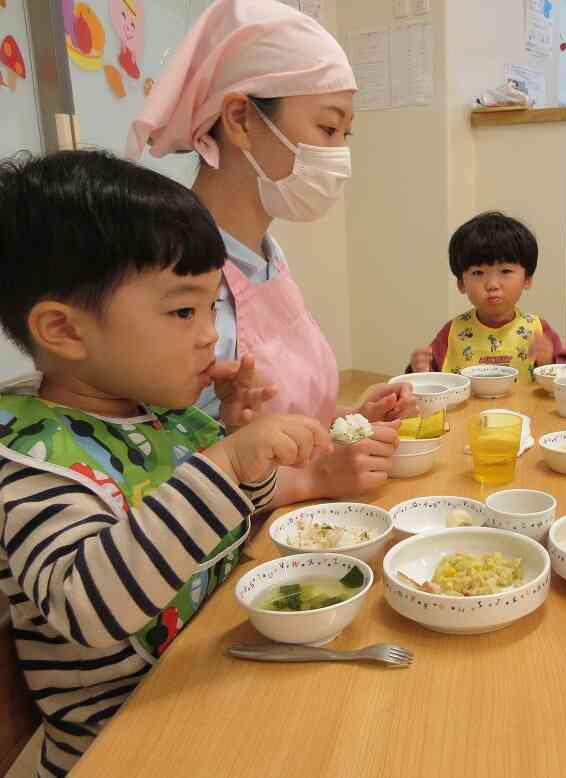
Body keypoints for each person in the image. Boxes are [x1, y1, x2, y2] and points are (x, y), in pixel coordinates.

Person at [0, 150, 332, 777]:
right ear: (64, 331)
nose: (210, 334)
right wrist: (224, 460)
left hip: (210, 684)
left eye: (212, 306)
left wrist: (239, 447)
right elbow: (89, 607)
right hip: (127, 745)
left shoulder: (159, 414)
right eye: (184, 310)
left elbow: (235, 517)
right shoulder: (32, 461)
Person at [126, 0, 410, 505]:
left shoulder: (265, 254)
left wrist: (346, 423)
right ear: (239, 119)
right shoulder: (173, 275)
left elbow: (271, 416)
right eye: (327, 129)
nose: (338, 156)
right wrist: (315, 478)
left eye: (345, 135)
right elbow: (170, 473)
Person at [408, 211, 566, 381]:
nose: (492, 285)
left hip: (524, 408)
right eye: (478, 273)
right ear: (461, 284)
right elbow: (428, 383)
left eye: (506, 271)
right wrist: (420, 369)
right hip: (468, 408)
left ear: (527, 280)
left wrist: (548, 361)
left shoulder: (538, 329)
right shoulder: (452, 332)